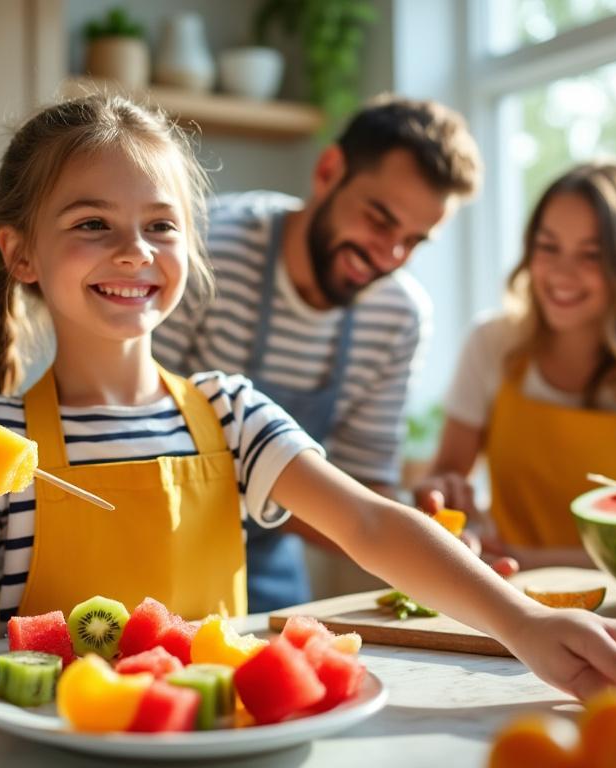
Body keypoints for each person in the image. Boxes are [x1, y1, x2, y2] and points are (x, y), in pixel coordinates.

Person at [0, 96, 616, 700]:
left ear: (190, 245)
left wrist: (529, 629)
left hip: (222, 736)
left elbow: (371, 524)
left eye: (161, 227)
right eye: (92, 223)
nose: (135, 252)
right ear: (23, 253)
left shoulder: (228, 408)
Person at [153, 95, 482, 611]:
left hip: (266, 560)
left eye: (413, 241)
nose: (389, 256)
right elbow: (134, 425)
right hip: (154, 537)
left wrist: (429, 543)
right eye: (379, 220)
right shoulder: (207, 247)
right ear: (329, 171)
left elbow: (362, 479)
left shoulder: (398, 316)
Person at [416, 160, 616, 569]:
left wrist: (530, 561)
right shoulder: (492, 343)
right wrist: (440, 491)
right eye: (548, 247)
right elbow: (446, 473)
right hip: (504, 594)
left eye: (591, 255)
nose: (562, 273)